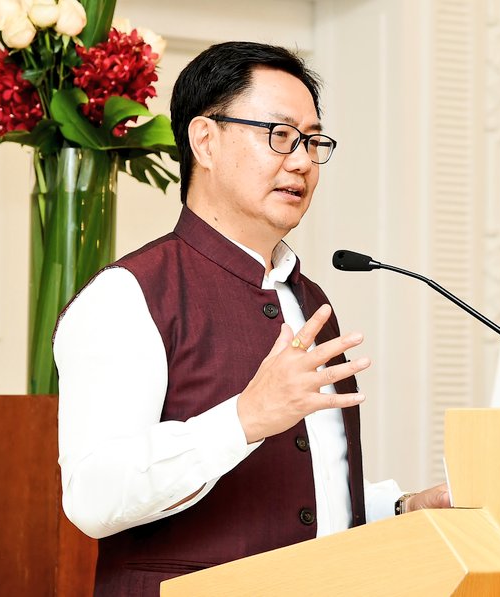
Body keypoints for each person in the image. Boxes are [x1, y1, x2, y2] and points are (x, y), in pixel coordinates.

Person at [53, 41, 450, 595]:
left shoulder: (308, 298)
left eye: (312, 141)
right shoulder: (127, 295)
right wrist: (244, 418)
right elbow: (93, 498)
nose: (302, 161)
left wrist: (402, 508)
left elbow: (301, 502)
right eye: (280, 135)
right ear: (205, 141)